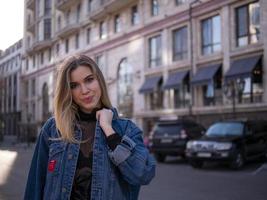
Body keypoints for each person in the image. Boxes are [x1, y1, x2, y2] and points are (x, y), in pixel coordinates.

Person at [24, 54, 156, 200]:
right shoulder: (53, 128)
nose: (84, 90)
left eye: (89, 80)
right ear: (68, 91)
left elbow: (143, 173)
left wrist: (109, 131)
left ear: (99, 80)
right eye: (74, 85)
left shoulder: (126, 129)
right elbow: (35, 186)